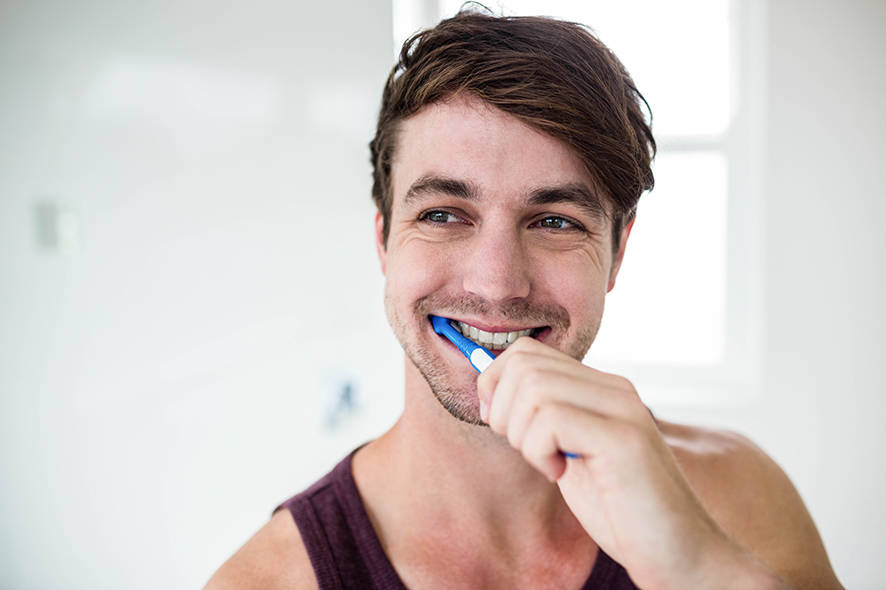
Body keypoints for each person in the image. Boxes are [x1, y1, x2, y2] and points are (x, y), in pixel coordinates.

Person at [205, 10, 843, 589]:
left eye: (555, 221)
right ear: (384, 242)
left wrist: (697, 566)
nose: (496, 284)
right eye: (444, 214)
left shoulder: (739, 498)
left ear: (618, 253)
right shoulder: (268, 581)